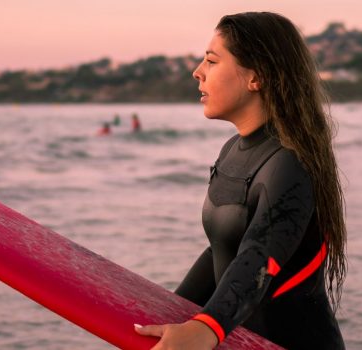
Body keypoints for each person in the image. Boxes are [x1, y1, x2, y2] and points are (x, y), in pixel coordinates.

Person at [134, 12, 347, 349]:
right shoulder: (232, 150)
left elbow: (259, 258)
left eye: (212, 61)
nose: (197, 72)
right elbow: (222, 248)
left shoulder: (290, 163)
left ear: (256, 77)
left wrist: (206, 329)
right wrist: (169, 312)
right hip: (242, 342)